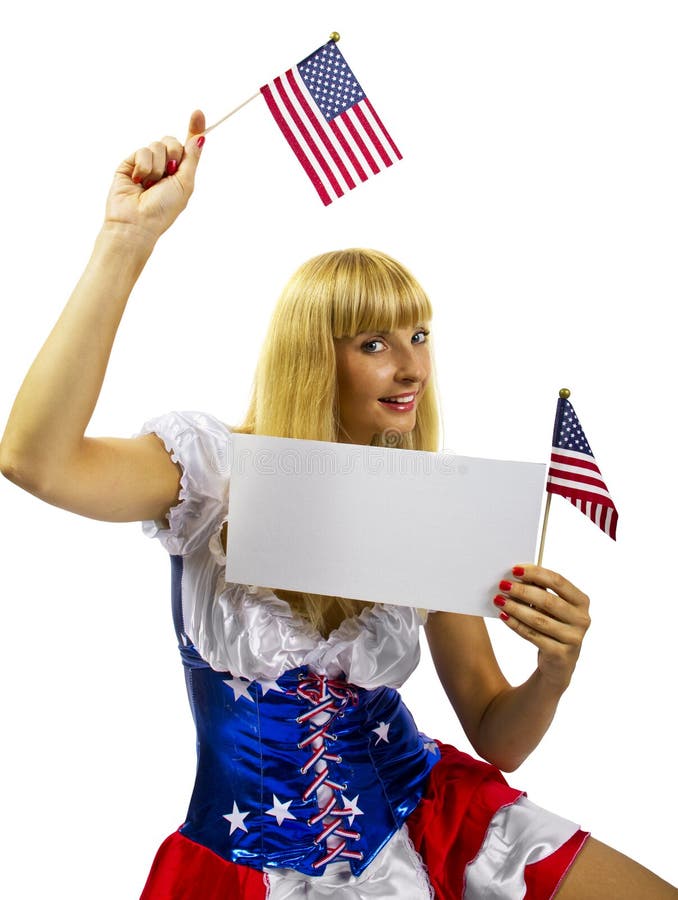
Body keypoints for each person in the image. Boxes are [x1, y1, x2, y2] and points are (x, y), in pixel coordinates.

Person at [0, 110, 675, 900]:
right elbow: (33, 460)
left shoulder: (429, 501)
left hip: (428, 810)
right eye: (373, 343)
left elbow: (499, 735)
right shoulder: (215, 471)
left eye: (418, 335)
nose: (410, 366)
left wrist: (554, 670)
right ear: (312, 356)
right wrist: (126, 240)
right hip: (255, 858)